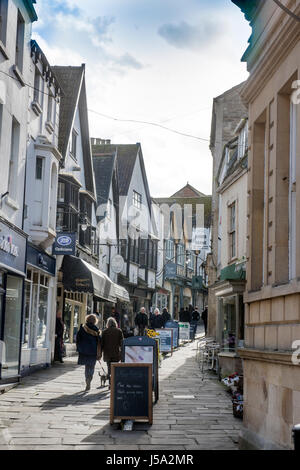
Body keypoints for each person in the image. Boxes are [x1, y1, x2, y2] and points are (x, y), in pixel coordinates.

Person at [76, 314, 101, 391]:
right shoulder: (96, 330)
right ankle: (90, 378)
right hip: (93, 351)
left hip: (84, 351)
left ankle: (87, 379)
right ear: (95, 321)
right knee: (92, 366)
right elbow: (99, 341)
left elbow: (78, 338)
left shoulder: (83, 328)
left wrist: (79, 348)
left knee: (87, 366)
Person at [101, 317, 124, 383]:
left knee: (109, 368)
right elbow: (122, 343)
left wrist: (100, 353)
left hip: (107, 353)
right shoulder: (119, 331)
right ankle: (113, 382)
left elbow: (102, 343)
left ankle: (110, 383)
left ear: (108, 324)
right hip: (116, 353)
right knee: (115, 368)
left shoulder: (105, 331)